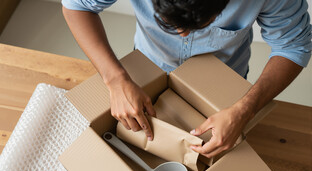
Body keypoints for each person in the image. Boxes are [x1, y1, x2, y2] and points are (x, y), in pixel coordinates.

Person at [61, 0, 311, 158]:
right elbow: (75, 6)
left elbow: (294, 46)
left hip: (225, 85)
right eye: (169, 24)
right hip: (145, 68)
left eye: (203, 24)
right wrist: (115, 79)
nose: (183, 34)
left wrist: (245, 109)